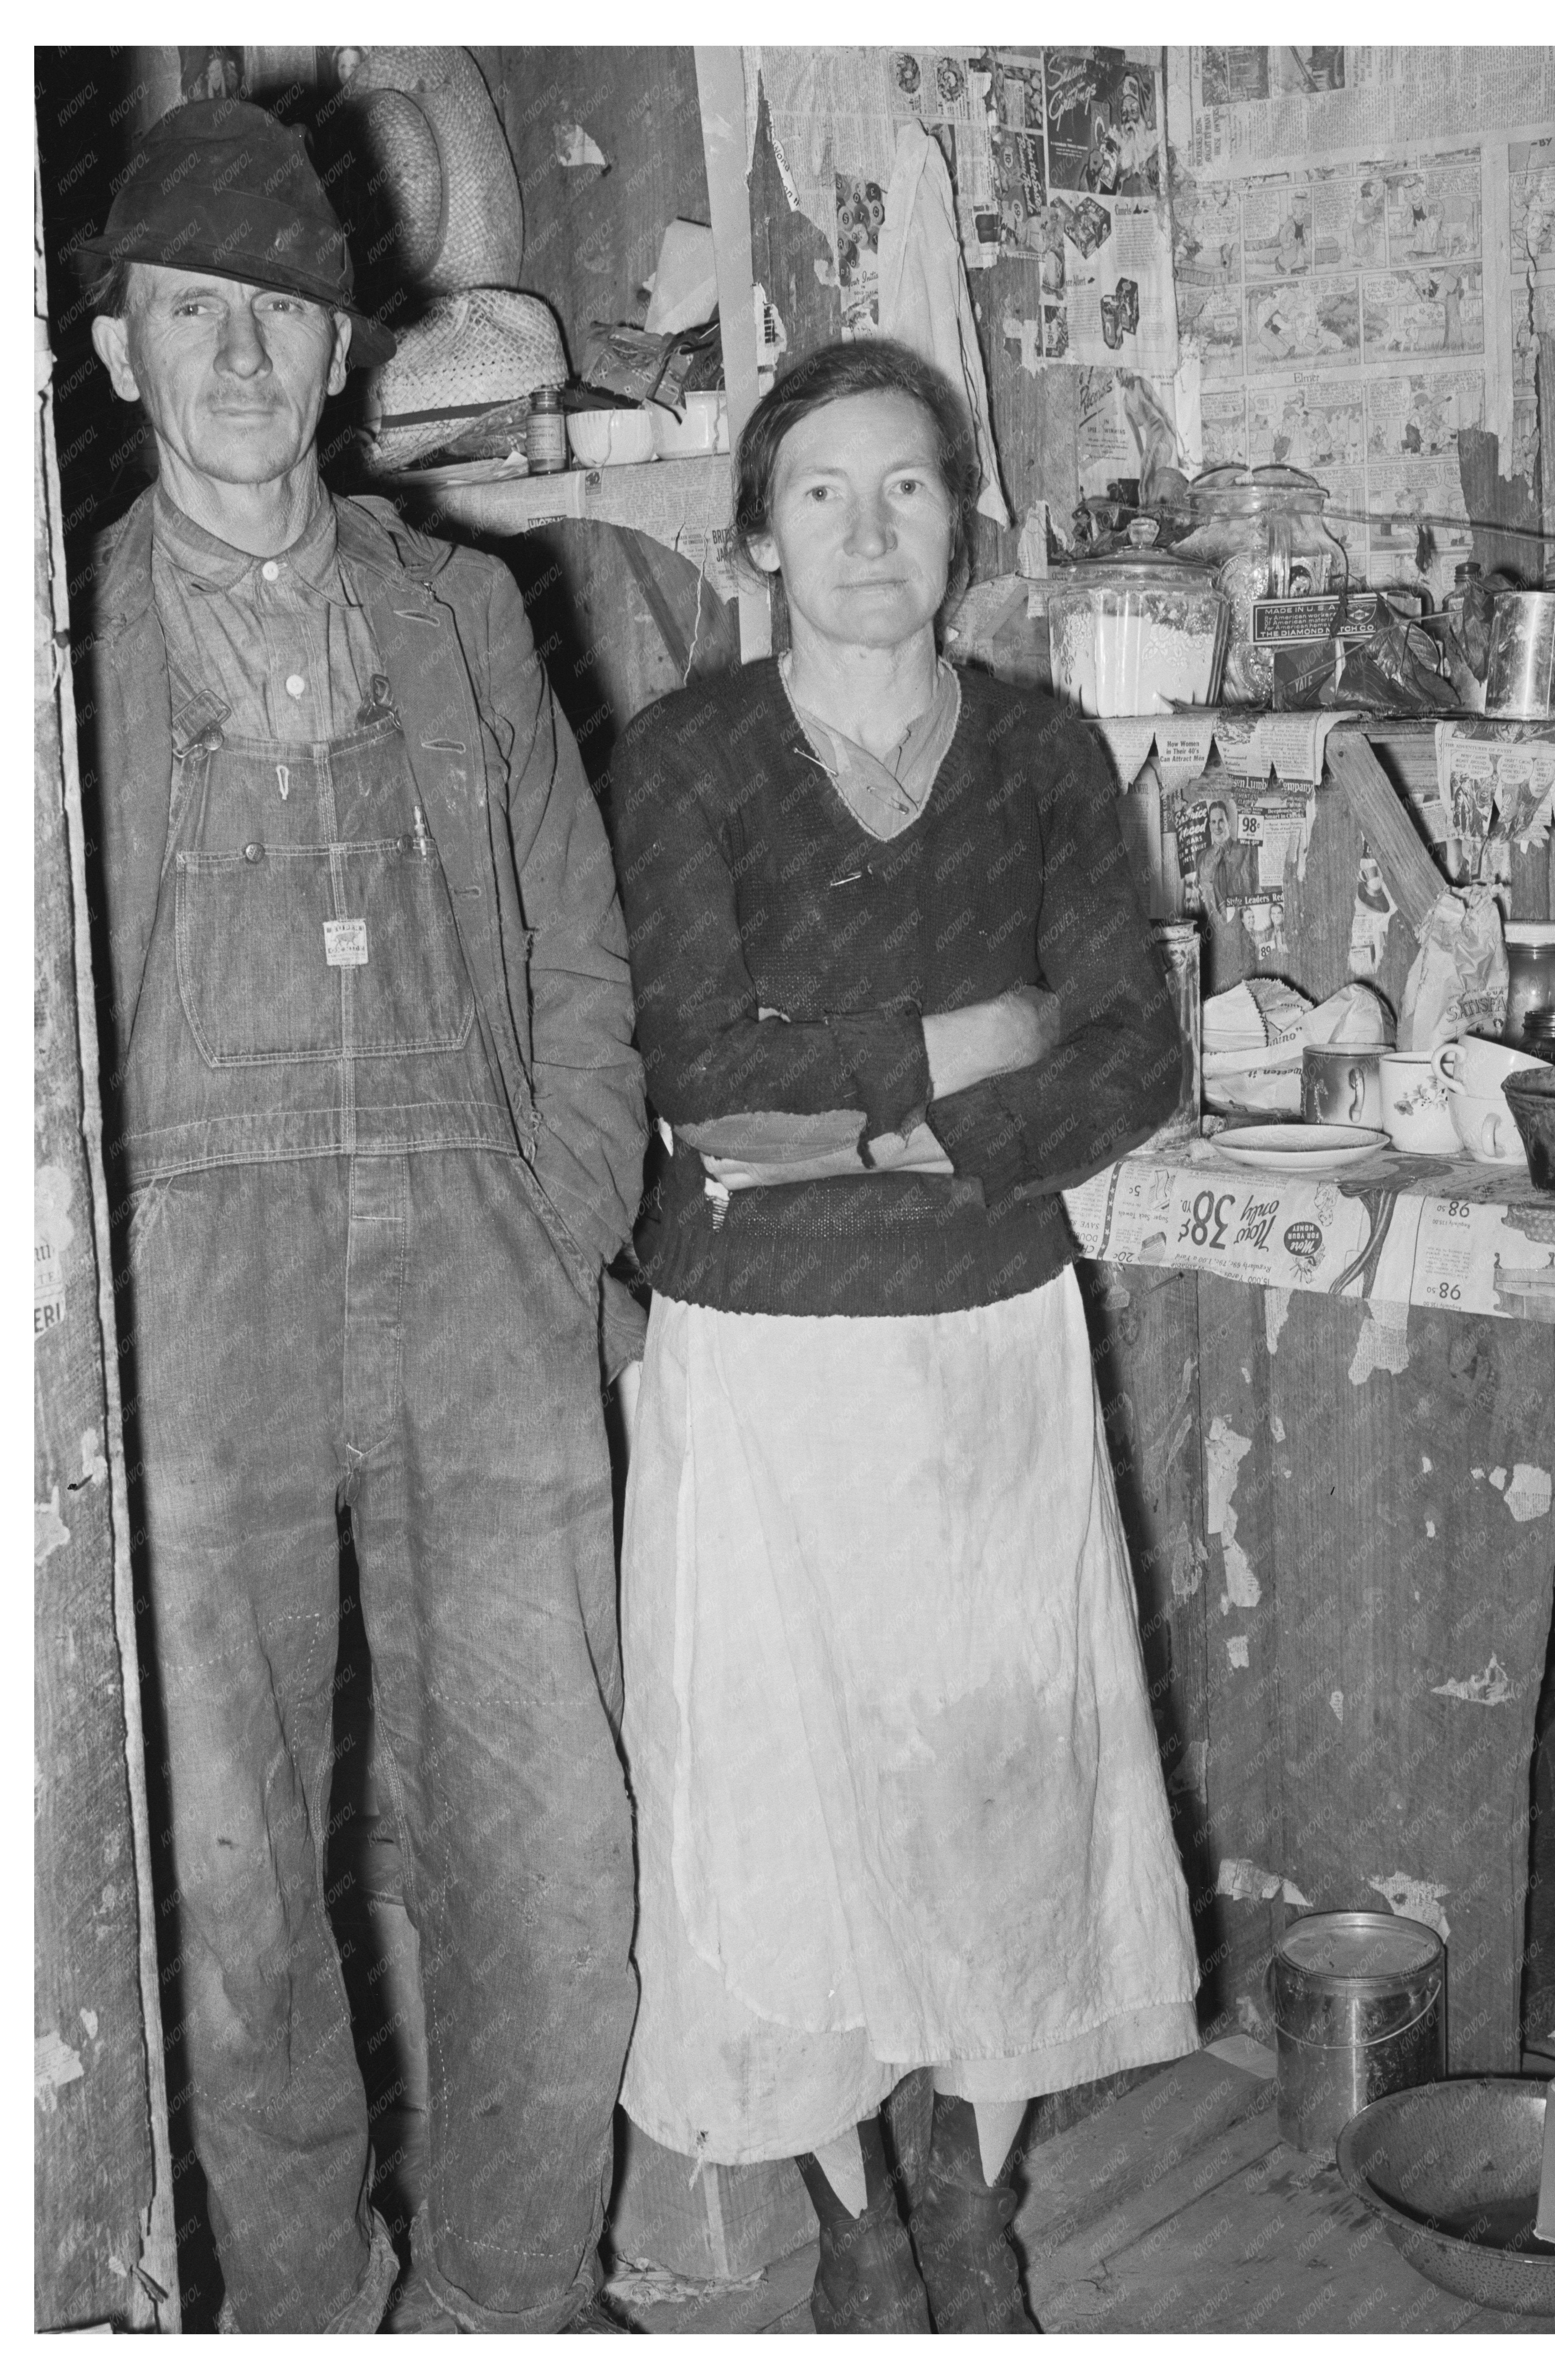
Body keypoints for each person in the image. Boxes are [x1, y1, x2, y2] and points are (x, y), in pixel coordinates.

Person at [76, 98, 646, 2333]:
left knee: (542, 1844)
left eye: (275, 318)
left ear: (338, 358)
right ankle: (303, 2315)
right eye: (188, 315)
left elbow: (578, 952)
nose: (235, 356)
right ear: (119, 356)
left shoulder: (465, 616)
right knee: (231, 1897)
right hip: (188, 1294)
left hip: (475, 1261)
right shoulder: (61, 652)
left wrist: (557, 1210)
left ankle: (507, 2302)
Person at [607, 339, 1201, 2335]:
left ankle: (971, 2182)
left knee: (1000, 1788)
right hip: (765, 1368)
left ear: (966, 520)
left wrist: (857, 1117)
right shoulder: (683, 762)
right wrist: (954, 1059)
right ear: (757, 533)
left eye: (910, 490)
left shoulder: (1044, 756)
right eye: (822, 496)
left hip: (982, 1352)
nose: (871, 535)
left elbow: (1125, 1054)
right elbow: (697, 1086)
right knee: (784, 1784)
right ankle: (850, 2210)